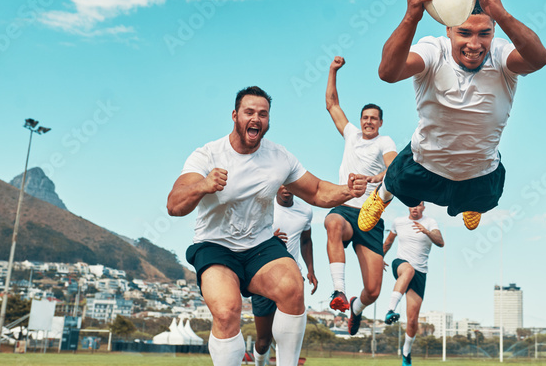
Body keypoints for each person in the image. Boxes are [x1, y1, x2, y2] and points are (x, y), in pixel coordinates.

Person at [167, 86, 367, 366]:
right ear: (235, 116)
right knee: (226, 312)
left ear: (268, 121)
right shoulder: (207, 156)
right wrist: (204, 185)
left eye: (263, 114)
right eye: (249, 112)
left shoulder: (279, 157)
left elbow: (318, 190)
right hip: (215, 246)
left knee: (293, 288)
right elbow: (174, 205)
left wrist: (348, 190)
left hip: (260, 246)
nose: (256, 118)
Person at [360, 0, 546, 232]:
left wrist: (503, 14)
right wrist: (411, 17)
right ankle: (381, 196)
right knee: (395, 180)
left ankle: (471, 203)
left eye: (484, 33)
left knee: (485, 199)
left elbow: (539, 59)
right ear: (448, 30)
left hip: (480, 171)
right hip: (425, 164)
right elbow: (388, 72)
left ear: (494, 31)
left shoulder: (501, 54)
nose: (474, 44)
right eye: (464, 33)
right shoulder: (433, 51)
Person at [323, 56, 398, 334]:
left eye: (373, 119)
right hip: (345, 209)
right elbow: (331, 104)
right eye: (365, 118)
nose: (368, 122)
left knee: (374, 290)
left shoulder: (384, 141)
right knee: (331, 223)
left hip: (369, 217)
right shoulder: (351, 135)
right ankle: (339, 292)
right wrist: (333, 70)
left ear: (380, 123)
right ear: (360, 121)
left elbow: (392, 169)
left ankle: (356, 308)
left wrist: (377, 178)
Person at [250, 186, 317, 366]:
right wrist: (268, 238)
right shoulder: (263, 207)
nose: (286, 188)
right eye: (282, 184)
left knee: (286, 338)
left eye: (290, 184)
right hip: (264, 277)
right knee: (264, 341)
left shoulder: (305, 211)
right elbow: (245, 237)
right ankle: (259, 363)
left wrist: (311, 269)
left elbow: (306, 240)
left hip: (292, 279)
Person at [382, 202, 444, 366]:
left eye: (419, 205)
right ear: (408, 206)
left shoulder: (430, 222)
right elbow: (388, 242)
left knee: (412, 320)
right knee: (408, 271)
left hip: (420, 273)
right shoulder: (398, 222)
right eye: (412, 205)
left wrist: (427, 232)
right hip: (401, 263)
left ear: (424, 207)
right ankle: (390, 310)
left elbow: (440, 242)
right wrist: (379, 257)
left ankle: (406, 353)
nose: (415, 208)